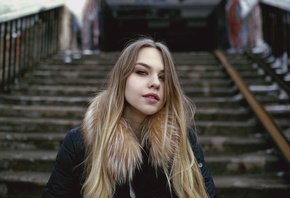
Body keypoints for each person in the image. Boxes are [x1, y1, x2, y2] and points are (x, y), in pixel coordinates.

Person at [42, 37, 217, 198]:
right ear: (122, 78)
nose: (155, 83)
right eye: (142, 72)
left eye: (163, 78)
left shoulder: (184, 140)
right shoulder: (78, 143)